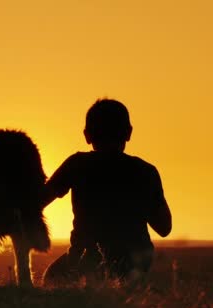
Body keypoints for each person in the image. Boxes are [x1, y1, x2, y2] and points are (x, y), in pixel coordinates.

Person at [42, 98, 172, 286]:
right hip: (134, 263)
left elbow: (39, 201)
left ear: (87, 135)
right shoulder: (145, 171)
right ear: (128, 133)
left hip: (85, 259)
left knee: (51, 279)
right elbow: (164, 228)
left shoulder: (77, 164)